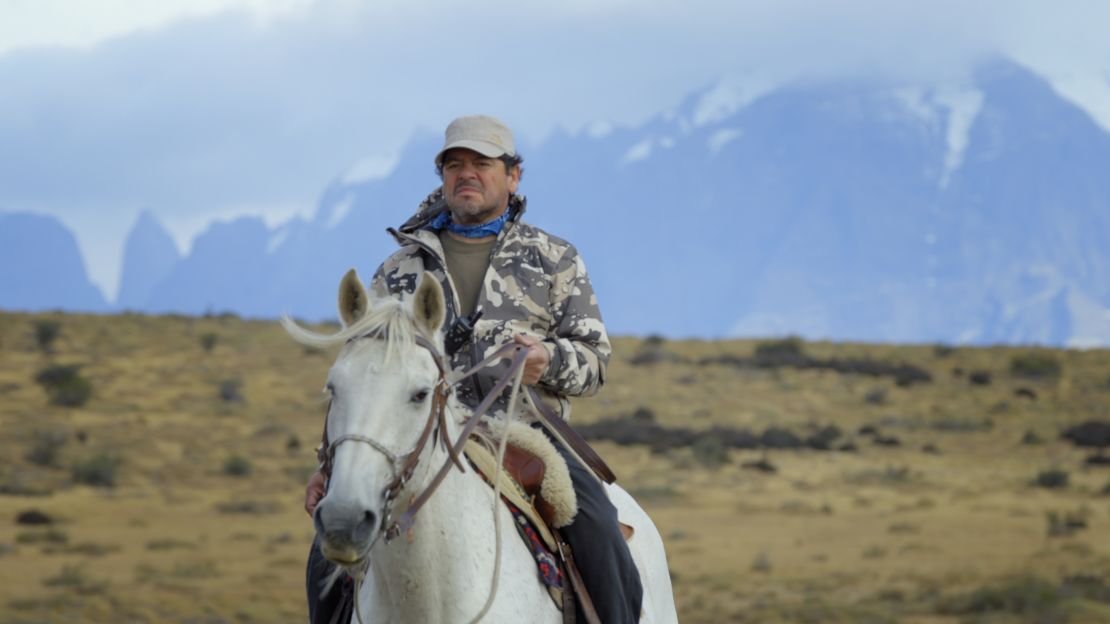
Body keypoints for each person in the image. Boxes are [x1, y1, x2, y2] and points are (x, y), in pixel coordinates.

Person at [304, 114, 642, 623]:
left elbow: (594, 361)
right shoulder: (397, 269)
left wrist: (546, 360)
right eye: (454, 164)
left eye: (482, 163)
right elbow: (362, 376)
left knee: (596, 529)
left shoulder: (554, 259)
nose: (467, 173)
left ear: (513, 176)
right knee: (324, 558)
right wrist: (328, 465)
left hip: (524, 432)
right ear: (441, 176)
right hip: (414, 436)